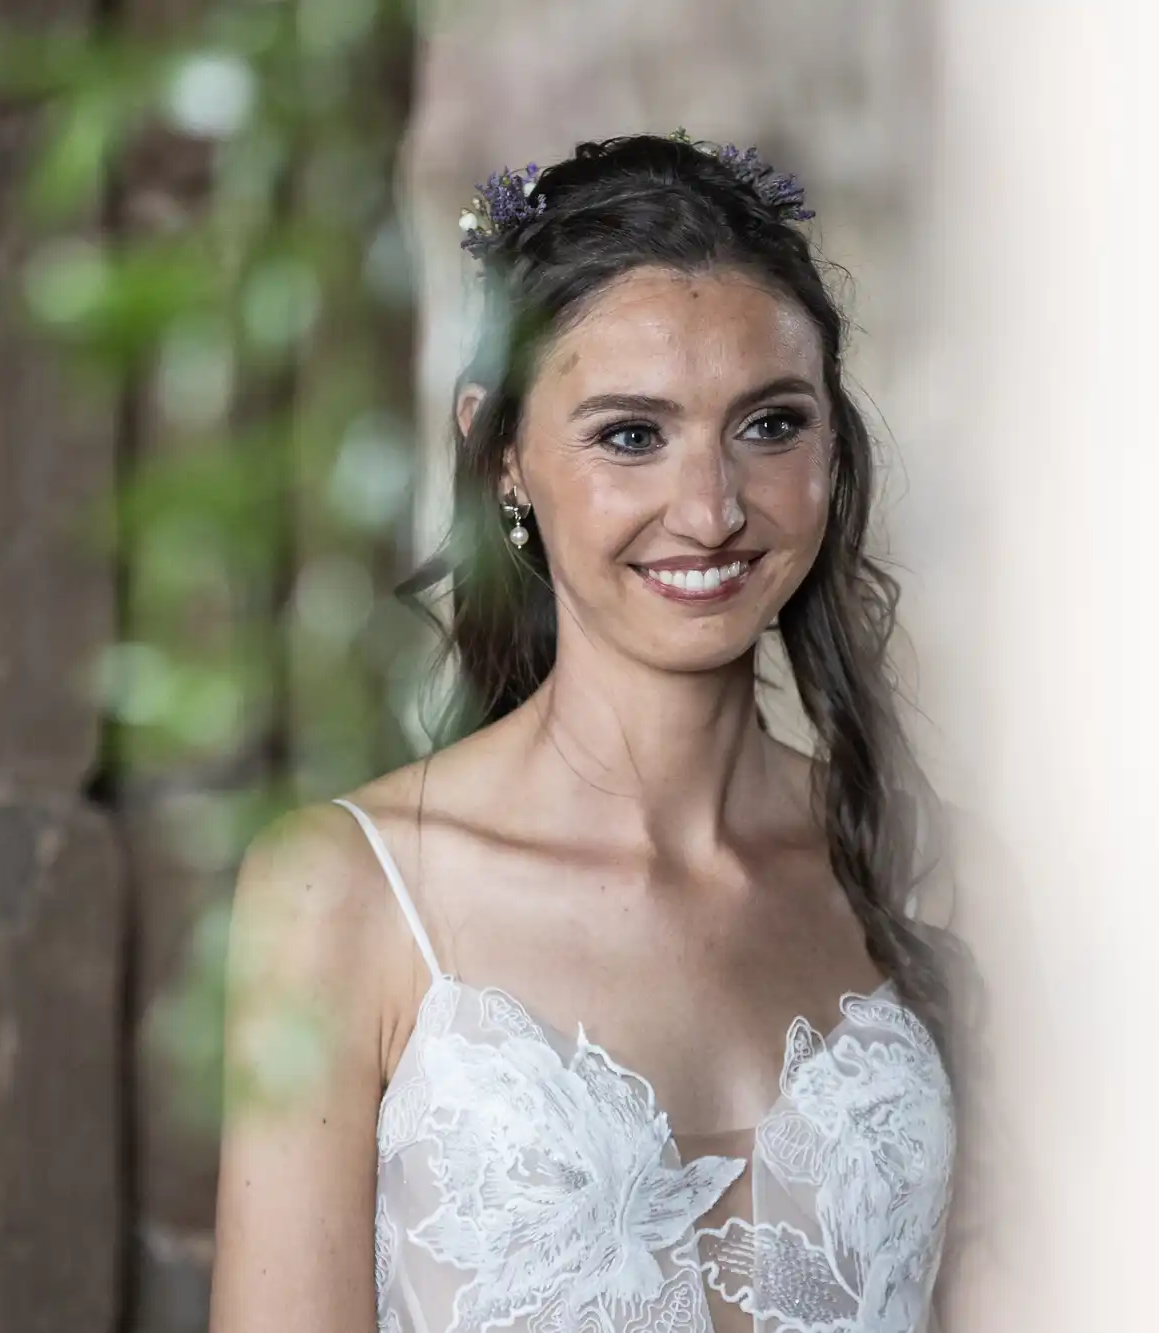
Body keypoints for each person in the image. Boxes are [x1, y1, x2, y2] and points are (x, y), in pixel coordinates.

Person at [209, 132, 970, 1333]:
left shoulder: (931, 870)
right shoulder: (341, 894)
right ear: (499, 452)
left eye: (769, 425)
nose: (710, 510)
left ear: (832, 440)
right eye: (630, 435)